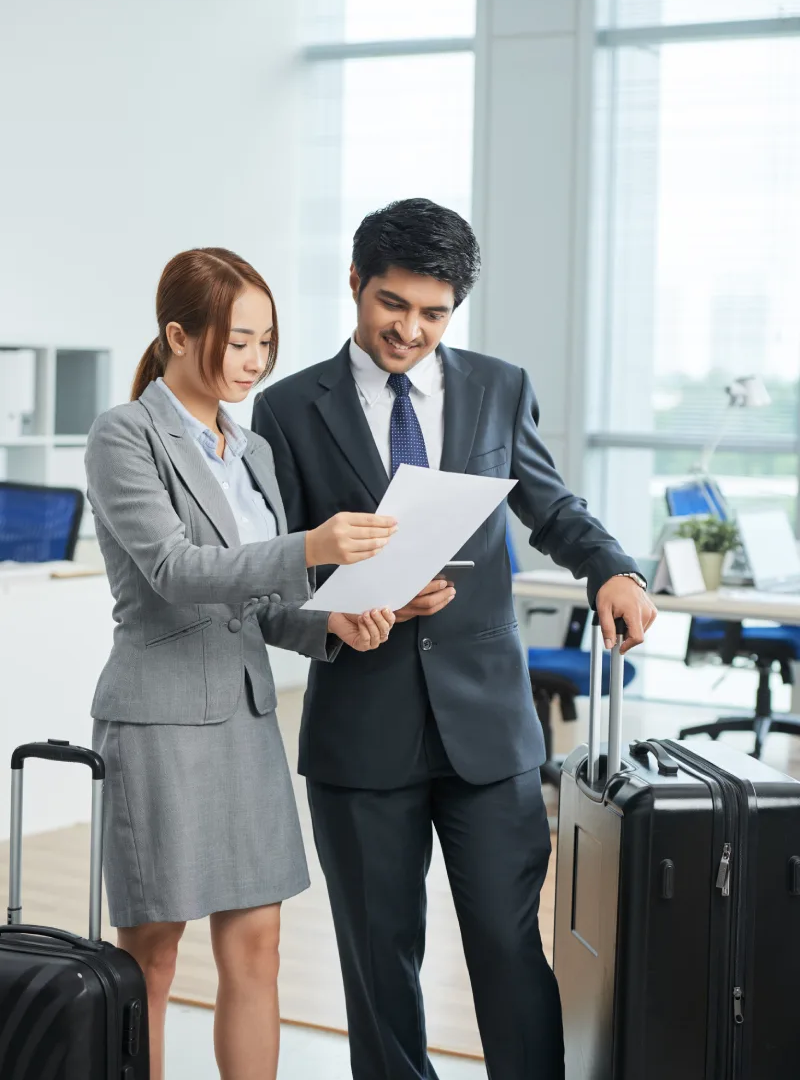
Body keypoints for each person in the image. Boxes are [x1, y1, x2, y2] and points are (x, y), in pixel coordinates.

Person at [252, 199, 658, 1080]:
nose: (410, 330)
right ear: (354, 282)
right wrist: (343, 614)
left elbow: (550, 505)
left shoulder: (497, 386)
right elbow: (274, 567)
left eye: (434, 313)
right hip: (362, 726)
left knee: (511, 947)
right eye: (392, 304)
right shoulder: (285, 410)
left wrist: (611, 568)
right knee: (379, 964)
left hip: (489, 727)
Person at [84, 247, 397, 1080]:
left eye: (267, 342)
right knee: (150, 955)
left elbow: (258, 604)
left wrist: (343, 621)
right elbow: (177, 571)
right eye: (238, 340)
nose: (255, 361)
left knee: (257, 946)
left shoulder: (250, 449)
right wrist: (313, 544)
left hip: (247, 719)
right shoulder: (126, 434)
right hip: (160, 721)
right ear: (178, 335)